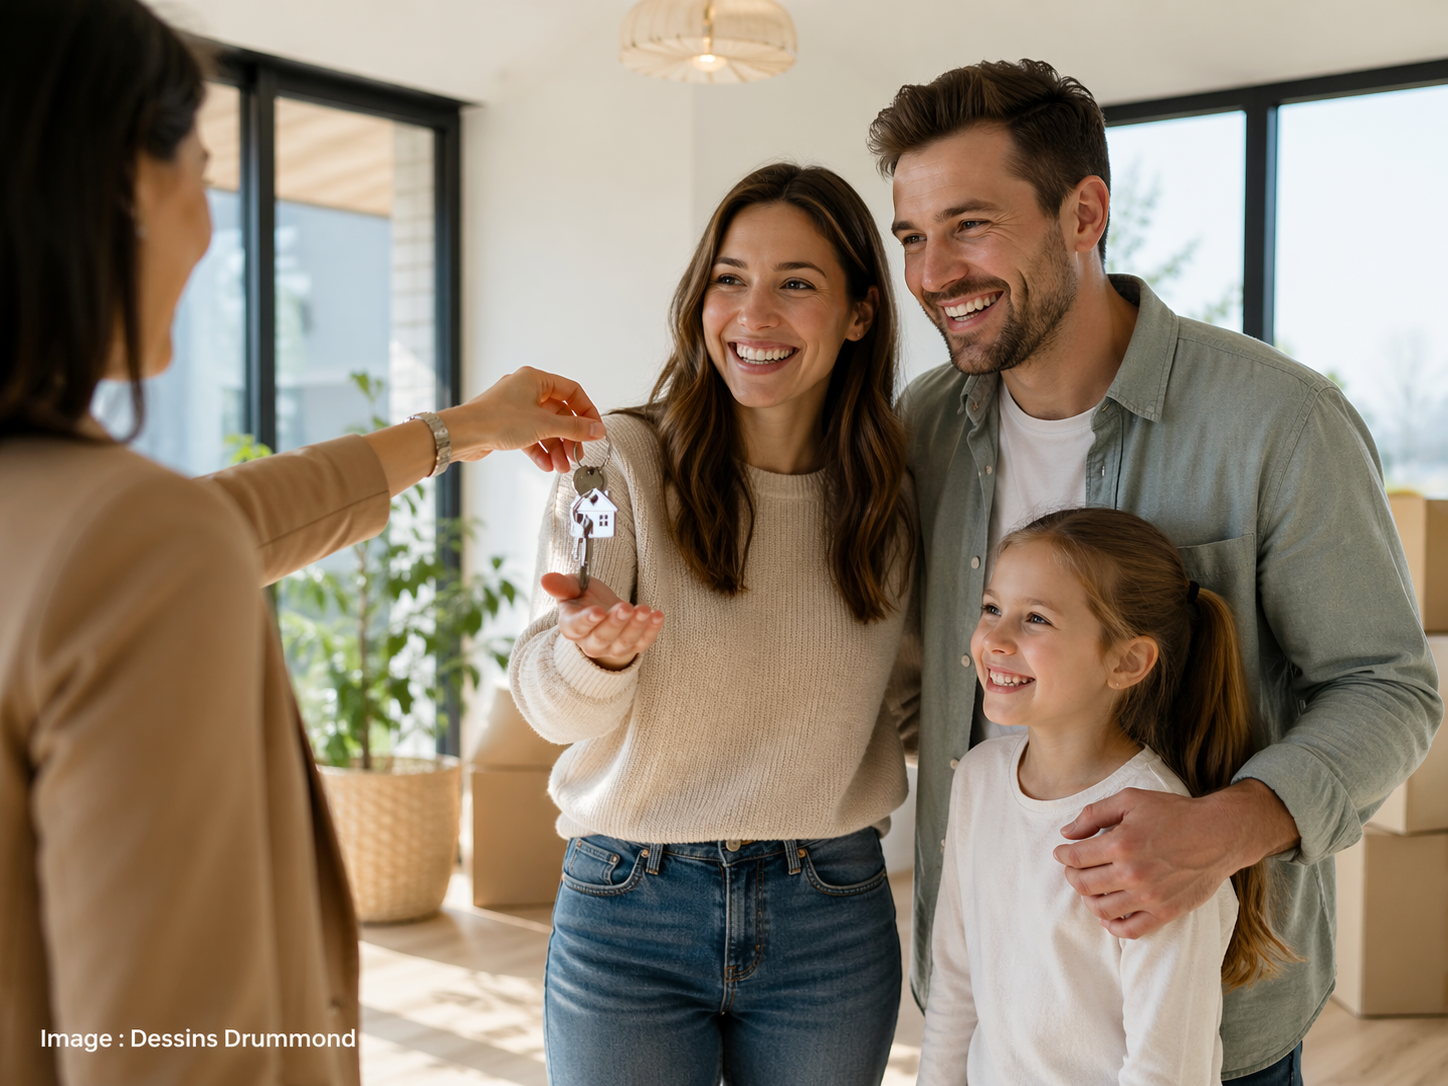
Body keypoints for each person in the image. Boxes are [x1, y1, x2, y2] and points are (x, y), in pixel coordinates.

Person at [0, 3, 603, 1083]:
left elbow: (216, 522)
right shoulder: (126, 543)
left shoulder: (62, 526)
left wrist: (459, 430)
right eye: (199, 166)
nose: (207, 223)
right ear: (123, 183)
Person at [869, 59, 1441, 1082]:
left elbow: (1384, 688)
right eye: (912, 236)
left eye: (969, 225)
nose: (930, 273)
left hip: (1211, 1033)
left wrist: (1221, 829)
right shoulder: (921, 429)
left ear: (1082, 212)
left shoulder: (1275, 423)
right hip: (993, 1020)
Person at [508, 162, 918, 1086]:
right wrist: (592, 659)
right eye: (729, 279)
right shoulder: (613, 466)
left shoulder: (893, 500)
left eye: (796, 284)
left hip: (831, 911)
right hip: (629, 908)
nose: (753, 314)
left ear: (859, 312)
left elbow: (920, 696)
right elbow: (545, 704)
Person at [919, 508, 1298, 1085]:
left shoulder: (1160, 837)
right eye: (992, 608)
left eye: (1036, 619)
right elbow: (955, 980)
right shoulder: (977, 777)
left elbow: (1166, 1069)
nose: (994, 639)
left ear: (1127, 661)